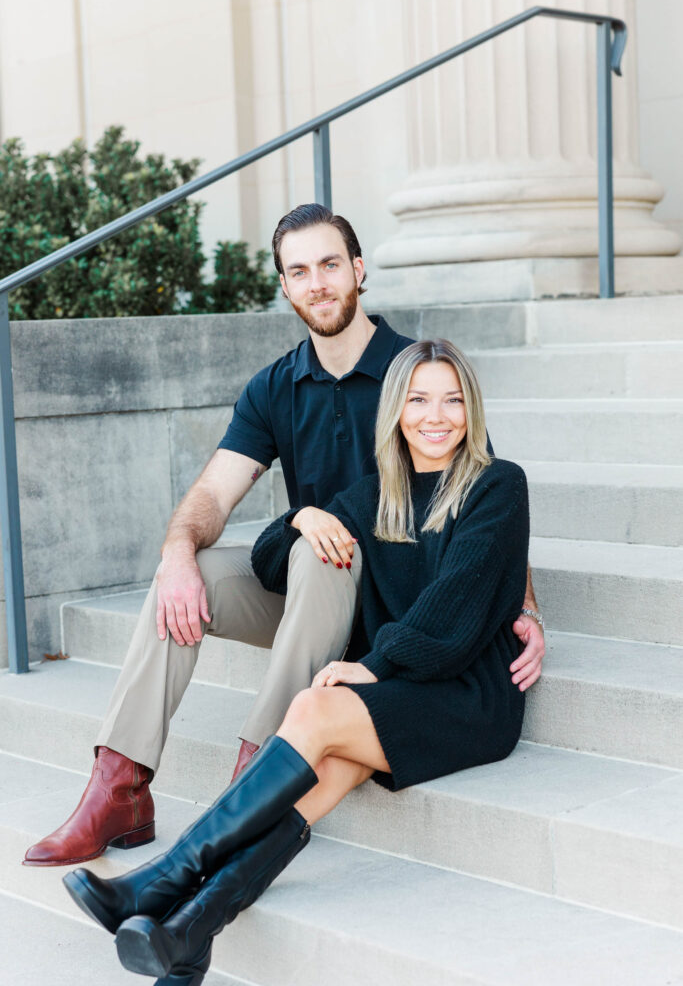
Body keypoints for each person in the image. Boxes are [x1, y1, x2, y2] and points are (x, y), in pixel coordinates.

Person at [24, 205, 544, 869]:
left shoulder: (416, 377)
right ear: (284, 286)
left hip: (396, 611)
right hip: (309, 598)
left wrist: (522, 607)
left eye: (330, 264)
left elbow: (482, 504)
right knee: (192, 572)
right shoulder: (276, 385)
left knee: (324, 553)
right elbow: (211, 496)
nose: (317, 282)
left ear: (358, 270)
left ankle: (257, 774)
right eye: (298, 271)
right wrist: (178, 556)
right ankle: (118, 787)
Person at [63, 338, 530, 986]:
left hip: (469, 690)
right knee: (330, 766)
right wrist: (303, 516)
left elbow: (458, 602)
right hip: (408, 684)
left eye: (452, 400)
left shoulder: (496, 483)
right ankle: (193, 930)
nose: (436, 415)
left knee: (312, 708)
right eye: (419, 398)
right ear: (396, 410)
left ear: (470, 410)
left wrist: (376, 665)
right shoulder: (375, 498)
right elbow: (267, 562)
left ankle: (161, 881)